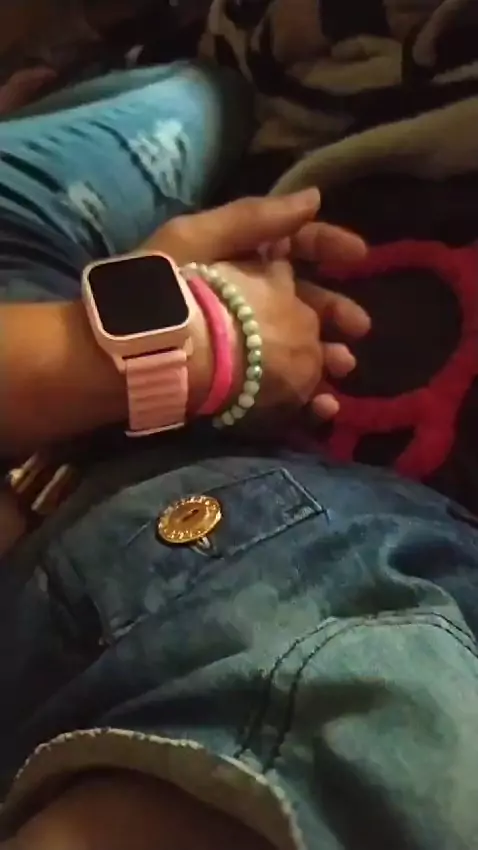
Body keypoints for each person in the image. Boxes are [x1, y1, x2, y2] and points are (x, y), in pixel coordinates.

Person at [1, 60, 478, 850]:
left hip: (118, 485)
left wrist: (173, 339)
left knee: (208, 92)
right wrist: (204, 342)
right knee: (207, 95)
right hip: (244, 550)